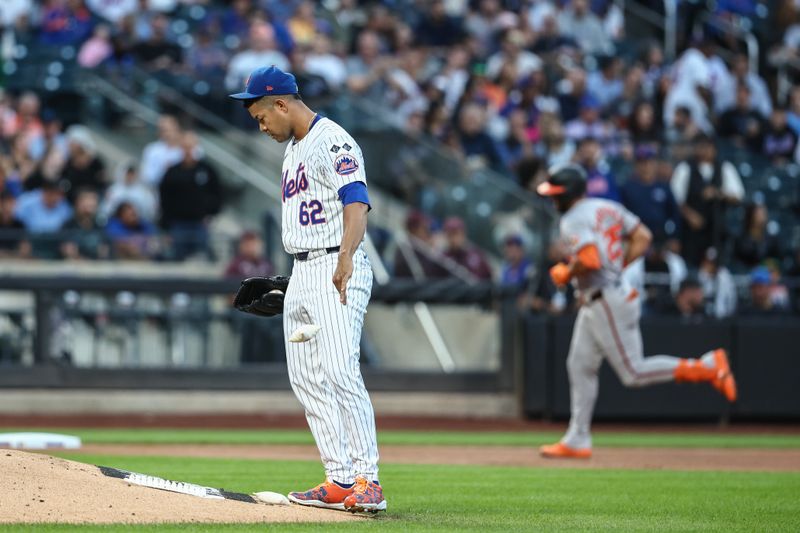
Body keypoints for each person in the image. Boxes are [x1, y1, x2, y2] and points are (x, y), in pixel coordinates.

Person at [229, 65, 385, 512]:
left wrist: (345, 257)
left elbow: (356, 200)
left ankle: (367, 480)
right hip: (303, 268)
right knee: (307, 380)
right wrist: (295, 277)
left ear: (281, 103)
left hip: (338, 263)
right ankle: (338, 476)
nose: (260, 126)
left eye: (261, 116)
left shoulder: (332, 139)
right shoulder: (291, 150)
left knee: (339, 371)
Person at [535, 164, 736, 459]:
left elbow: (589, 259)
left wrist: (567, 272)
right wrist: (617, 268)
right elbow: (642, 236)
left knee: (633, 372)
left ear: (568, 194)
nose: (552, 200)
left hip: (607, 300)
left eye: (556, 194)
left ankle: (706, 367)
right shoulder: (606, 206)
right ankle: (578, 437)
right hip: (606, 294)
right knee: (579, 365)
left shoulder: (573, 219)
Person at [670, 134, 744, 266]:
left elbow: (738, 196)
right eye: (701, 146)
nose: (705, 150)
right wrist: (690, 215)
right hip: (691, 232)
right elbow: (674, 198)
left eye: (708, 146)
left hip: (717, 230)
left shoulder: (724, 167)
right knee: (691, 264)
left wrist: (718, 194)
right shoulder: (685, 168)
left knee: (718, 265)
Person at [159, 131, 222, 260]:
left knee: (201, 258)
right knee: (176, 258)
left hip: (200, 223)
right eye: (185, 147)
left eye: (191, 147)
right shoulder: (172, 172)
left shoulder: (206, 170)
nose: (188, 151)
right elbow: (164, 198)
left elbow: (217, 193)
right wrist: (166, 223)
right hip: (178, 224)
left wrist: (211, 214)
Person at [621, 146, 680, 244]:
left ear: (655, 164)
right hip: (636, 239)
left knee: (676, 260)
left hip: (662, 240)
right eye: (642, 163)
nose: (646, 166)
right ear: (636, 165)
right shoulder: (627, 188)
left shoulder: (663, 186)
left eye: (650, 162)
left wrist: (674, 238)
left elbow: (674, 214)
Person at [61, 188, 107, 260]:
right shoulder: (68, 226)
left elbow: (104, 252)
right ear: (76, 204)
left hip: (97, 268)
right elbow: (67, 251)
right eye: (85, 203)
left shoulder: (100, 227)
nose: (88, 207)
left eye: (92, 204)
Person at [441, 216, 492, 280]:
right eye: (450, 235)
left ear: (463, 234)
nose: (454, 239)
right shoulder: (442, 258)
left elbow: (489, 279)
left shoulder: (476, 254)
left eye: (456, 234)